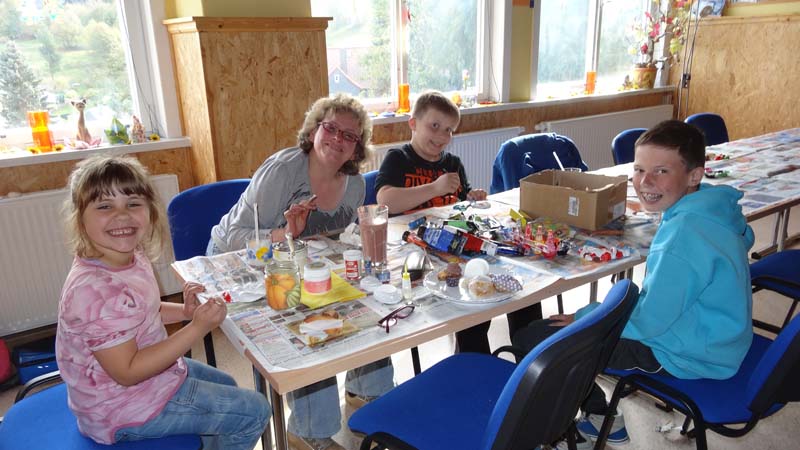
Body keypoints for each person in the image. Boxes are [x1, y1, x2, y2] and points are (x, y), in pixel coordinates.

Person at [513, 120, 754, 448]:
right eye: (639, 169)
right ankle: (598, 414)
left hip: (685, 354)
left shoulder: (684, 237)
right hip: (714, 337)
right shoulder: (711, 208)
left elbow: (649, 322)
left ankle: (593, 419)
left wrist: (586, 317)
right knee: (566, 331)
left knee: (536, 341)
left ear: (694, 175)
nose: (645, 182)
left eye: (661, 171)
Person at [209, 93, 393, 450]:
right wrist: (286, 233)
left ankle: (367, 391)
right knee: (308, 319)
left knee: (365, 296)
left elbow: (335, 243)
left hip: (300, 262)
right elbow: (233, 239)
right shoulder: (283, 171)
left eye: (349, 136)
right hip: (238, 262)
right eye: (331, 128)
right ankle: (309, 430)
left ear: (357, 148)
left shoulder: (355, 185)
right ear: (313, 131)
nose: (337, 140)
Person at [55, 155, 270, 450]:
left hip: (149, 380)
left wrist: (186, 311)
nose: (122, 216)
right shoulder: (93, 291)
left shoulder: (130, 254)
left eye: (133, 203)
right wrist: (197, 327)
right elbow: (128, 372)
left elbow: (146, 311)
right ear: (80, 217)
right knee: (254, 411)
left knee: (228, 386)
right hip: (120, 407)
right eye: (105, 206)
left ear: (150, 212)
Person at [375, 90, 541, 354]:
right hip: (415, 255)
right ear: (413, 123)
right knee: (469, 308)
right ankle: (474, 361)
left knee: (519, 289)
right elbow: (385, 201)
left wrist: (472, 197)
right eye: (435, 126)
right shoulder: (398, 158)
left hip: (455, 248)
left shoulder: (452, 163)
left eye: (449, 130)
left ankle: (532, 358)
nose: (442, 136)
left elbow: (460, 205)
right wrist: (434, 188)